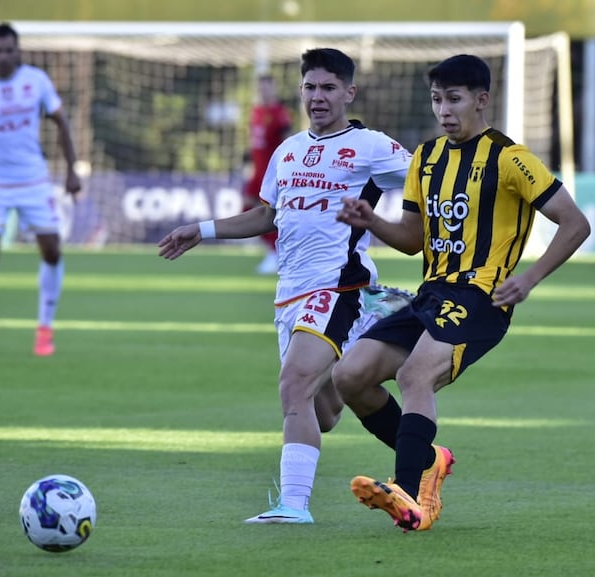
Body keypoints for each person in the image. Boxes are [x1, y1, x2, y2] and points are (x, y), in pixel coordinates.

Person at [332, 54, 591, 532]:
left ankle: (411, 497)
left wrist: (529, 279)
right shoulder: (426, 158)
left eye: (454, 99)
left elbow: (575, 224)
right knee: (349, 376)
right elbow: (413, 240)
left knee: (414, 376)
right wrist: (374, 223)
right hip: (430, 294)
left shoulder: (511, 159)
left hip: (483, 297)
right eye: (436, 100)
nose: (444, 110)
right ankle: (428, 461)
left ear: (481, 100)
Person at [158, 48, 412, 524]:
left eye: (329, 88)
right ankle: (424, 454)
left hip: (337, 287)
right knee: (326, 411)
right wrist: (203, 229)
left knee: (293, 384)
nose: (318, 97)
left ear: (349, 93)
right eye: (310, 88)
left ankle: (293, 506)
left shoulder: (371, 145)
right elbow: (266, 216)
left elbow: (427, 176)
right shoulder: (288, 150)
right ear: (301, 91)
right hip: (289, 295)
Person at [0, 22, 81, 357]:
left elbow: (62, 122)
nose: (5, 57)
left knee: (52, 251)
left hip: (35, 181)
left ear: (18, 51)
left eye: (11, 50)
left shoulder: (36, 80)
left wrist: (71, 170)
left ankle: (44, 330)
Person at [243, 74, 292, 275]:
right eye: (260, 87)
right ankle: (273, 251)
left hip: (272, 171)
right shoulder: (255, 112)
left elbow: (288, 140)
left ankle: (275, 253)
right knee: (247, 207)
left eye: (267, 87)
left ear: (274, 89)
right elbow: (252, 142)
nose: (263, 91)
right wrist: (246, 163)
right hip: (257, 170)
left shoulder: (280, 113)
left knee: (268, 211)